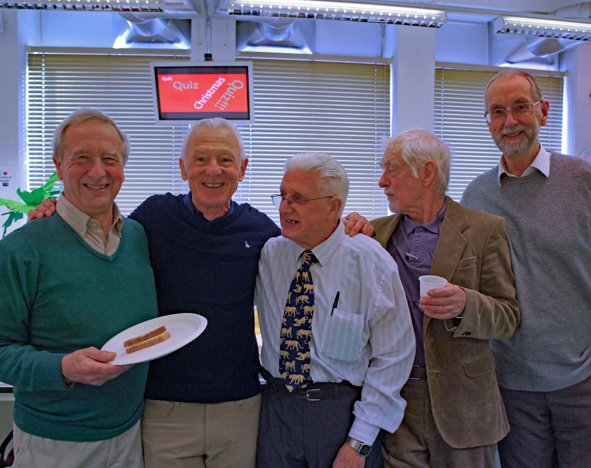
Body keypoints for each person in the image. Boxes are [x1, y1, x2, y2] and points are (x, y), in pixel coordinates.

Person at [29, 117, 373, 468]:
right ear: (182, 168)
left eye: (225, 159)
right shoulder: (152, 218)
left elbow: (316, 246)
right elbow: (102, 237)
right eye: (200, 158)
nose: (214, 170)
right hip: (163, 407)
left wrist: (348, 224)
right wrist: (55, 212)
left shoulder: (263, 233)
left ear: (242, 168)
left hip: (240, 405)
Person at [0, 108, 158, 468]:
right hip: (53, 443)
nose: (98, 171)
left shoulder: (138, 237)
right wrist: (63, 368)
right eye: (82, 158)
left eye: (109, 159)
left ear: (122, 167)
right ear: (59, 165)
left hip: (132, 433)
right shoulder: (22, 249)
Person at [461, 69, 591, 468]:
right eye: (497, 112)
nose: (509, 121)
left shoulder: (582, 181)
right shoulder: (476, 196)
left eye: (520, 107)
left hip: (582, 379)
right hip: (512, 385)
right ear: (487, 123)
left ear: (544, 112)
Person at [369, 128, 520, 467]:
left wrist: (466, 304)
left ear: (427, 172)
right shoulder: (374, 233)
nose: (382, 181)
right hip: (397, 401)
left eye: (391, 169)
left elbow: (509, 316)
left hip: (464, 407)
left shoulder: (485, 229)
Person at [255, 152, 415, 468]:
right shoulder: (270, 254)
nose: (285, 207)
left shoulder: (371, 265)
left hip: (339, 416)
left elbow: (393, 358)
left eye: (298, 198)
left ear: (334, 206)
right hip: (275, 411)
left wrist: (360, 442)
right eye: (284, 195)